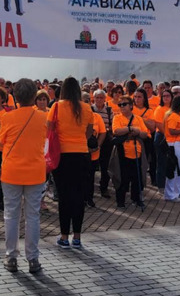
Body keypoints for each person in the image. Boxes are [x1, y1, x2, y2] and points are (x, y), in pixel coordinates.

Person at [0, 78, 47, 274]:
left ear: (14, 96)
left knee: (11, 215)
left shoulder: (7, 118)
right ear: (35, 97)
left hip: (11, 172)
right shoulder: (44, 117)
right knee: (33, 216)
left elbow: (1, 141)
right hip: (35, 172)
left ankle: (11, 257)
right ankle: (33, 258)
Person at [49, 77, 93, 249]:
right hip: (82, 154)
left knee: (64, 197)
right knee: (79, 196)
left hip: (62, 155)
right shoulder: (87, 107)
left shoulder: (56, 106)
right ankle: (77, 237)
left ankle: (63, 236)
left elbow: (49, 130)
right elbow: (89, 132)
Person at [111, 94, 149, 209]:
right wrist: (131, 129)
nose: (122, 107)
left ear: (131, 106)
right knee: (122, 177)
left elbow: (145, 134)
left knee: (137, 177)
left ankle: (136, 199)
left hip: (137, 151)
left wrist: (137, 132)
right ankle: (120, 200)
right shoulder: (117, 118)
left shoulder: (138, 119)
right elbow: (116, 131)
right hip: (122, 152)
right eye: (120, 105)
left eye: (124, 104)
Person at [163, 95, 180, 201]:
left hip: (179, 143)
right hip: (173, 144)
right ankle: (170, 194)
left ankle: (177, 191)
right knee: (174, 169)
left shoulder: (176, 114)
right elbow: (171, 131)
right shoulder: (172, 115)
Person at [83, 92, 106, 207]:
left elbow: (102, 132)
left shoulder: (96, 116)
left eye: (87, 100)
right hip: (81, 153)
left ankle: (89, 198)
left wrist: (97, 146)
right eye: (83, 101)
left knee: (91, 177)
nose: (86, 103)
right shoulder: (76, 118)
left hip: (94, 153)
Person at [92, 89, 114, 198]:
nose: (99, 100)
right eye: (97, 97)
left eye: (101, 97)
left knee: (105, 165)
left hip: (106, 141)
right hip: (93, 139)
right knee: (91, 165)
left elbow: (112, 125)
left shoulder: (109, 110)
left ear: (105, 99)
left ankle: (104, 187)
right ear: (94, 98)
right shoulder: (90, 109)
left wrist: (105, 129)